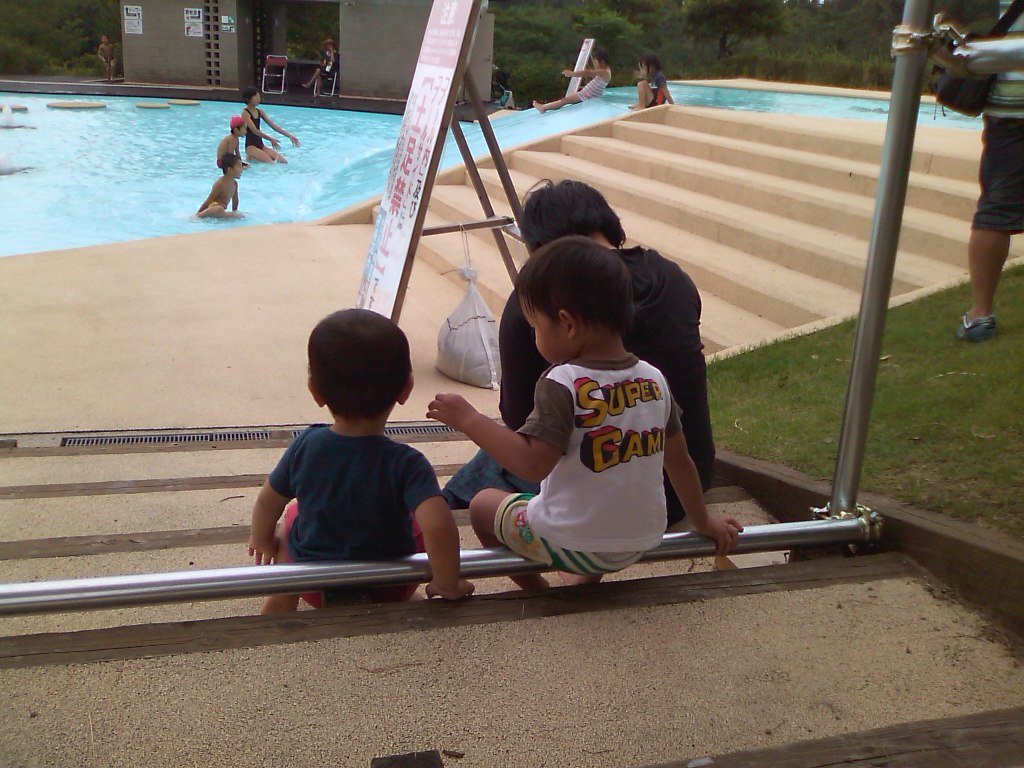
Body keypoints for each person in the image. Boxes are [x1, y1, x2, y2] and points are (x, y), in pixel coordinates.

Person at [428, 236, 742, 592]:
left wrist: (469, 419)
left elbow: (531, 465)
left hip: (571, 543)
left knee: (483, 504)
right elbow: (680, 461)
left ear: (567, 324)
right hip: (640, 540)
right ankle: (581, 579)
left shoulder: (562, 382)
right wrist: (703, 521)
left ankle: (538, 590)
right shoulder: (654, 379)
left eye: (536, 327)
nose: (534, 337)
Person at [442, 180, 716, 533]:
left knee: (485, 473)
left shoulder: (541, 302)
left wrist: (469, 419)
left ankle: (430, 522)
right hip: (683, 486)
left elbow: (519, 424)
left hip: (596, 509)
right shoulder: (674, 280)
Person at [249, 309, 474, 613]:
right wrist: (447, 583)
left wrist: (261, 538)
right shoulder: (408, 463)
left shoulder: (306, 445)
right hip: (391, 583)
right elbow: (438, 526)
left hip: (313, 584)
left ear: (315, 391)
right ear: (406, 389)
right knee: (417, 519)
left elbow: (267, 501)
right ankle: (406, 597)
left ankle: (284, 591)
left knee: (292, 513)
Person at [956, 1, 1024, 341]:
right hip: (1011, 112)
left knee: (996, 210)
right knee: (996, 209)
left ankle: (981, 315)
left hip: (1012, 112)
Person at [533, 48, 612, 114]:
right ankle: (544, 107)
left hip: (586, 95)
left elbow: (588, 73)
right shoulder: (605, 71)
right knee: (565, 100)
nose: (595, 65)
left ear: (602, 62)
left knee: (564, 101)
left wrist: (572, 74)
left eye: (595, 62)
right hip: (587, 94)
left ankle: (543, 108)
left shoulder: (604, 72)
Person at [240, 86, 300, 164]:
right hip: (250, 147)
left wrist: (289, 136)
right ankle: (250, 155)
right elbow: (254, 130)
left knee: (283, 161)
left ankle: (251, 157)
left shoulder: (260, 112)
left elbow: (273, 126)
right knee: (271, 163)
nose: (259, 98)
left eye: (259, 96)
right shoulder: (245, 113)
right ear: (248, 99)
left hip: (260, 145)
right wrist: (270, 139)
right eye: (256, 96)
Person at [197, 153, 244, 218]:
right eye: (239, 166)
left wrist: (235, 212)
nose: (242, 169)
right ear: (230, 170)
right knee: (219, 209)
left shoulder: (234, 183)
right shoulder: (220, 183)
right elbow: (209, 200)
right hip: (214, 208)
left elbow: (235, 200)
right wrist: (198, 213)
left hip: (222, 212)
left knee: (240, 216)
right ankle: (200, 215)